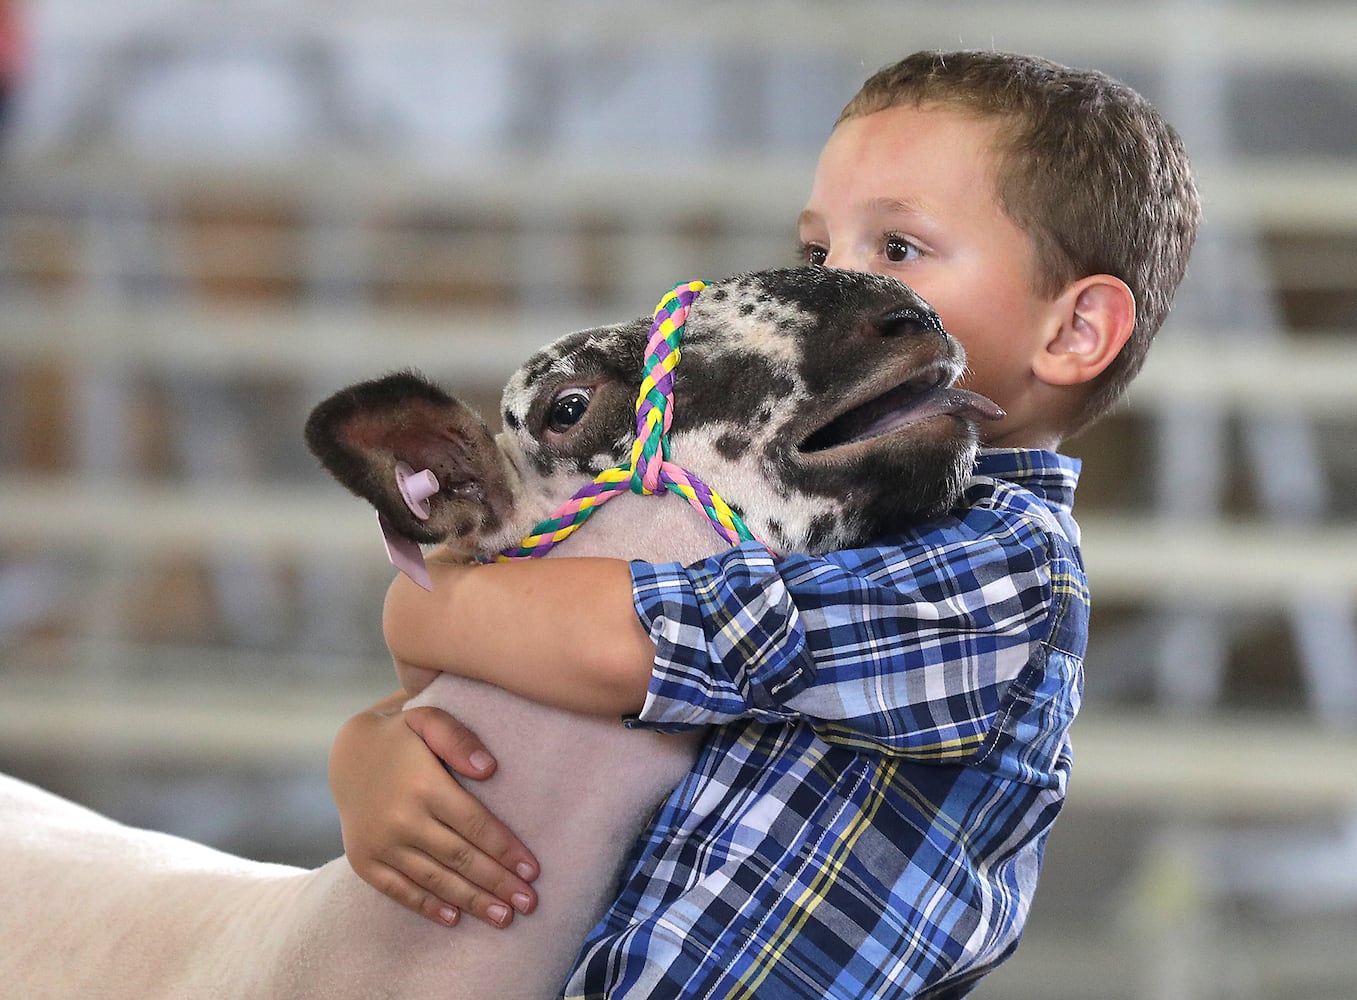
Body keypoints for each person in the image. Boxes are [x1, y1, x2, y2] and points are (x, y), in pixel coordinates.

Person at [328, 49, 1200, 998]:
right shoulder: (791, 505)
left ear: (1073, 334)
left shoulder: (1006, 569)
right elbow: (542, 686)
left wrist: (427, 608)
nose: (831, 288)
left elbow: (657, 640)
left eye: (898, 250)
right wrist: (368, 752)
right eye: (820, 254)